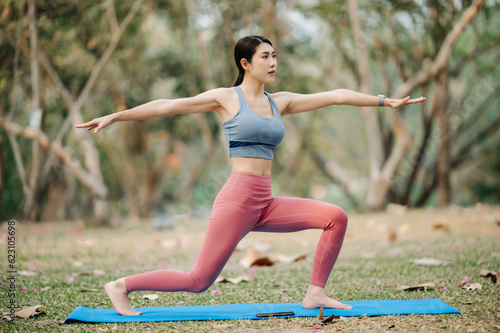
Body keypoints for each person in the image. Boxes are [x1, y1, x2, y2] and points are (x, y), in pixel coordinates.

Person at [77, 35, 425, 316]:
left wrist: (385, 101)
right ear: (245, 63)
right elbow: (166, 105)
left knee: (335, 217)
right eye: (265, 57)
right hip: (238, 200)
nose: (273, 63)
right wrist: (116, 116)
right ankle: (121, 285)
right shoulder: (226, 99)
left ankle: (315, 294)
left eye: (274, 56)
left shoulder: (281, 102)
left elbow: (334, 96)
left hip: (266, 200)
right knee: (198, 280)